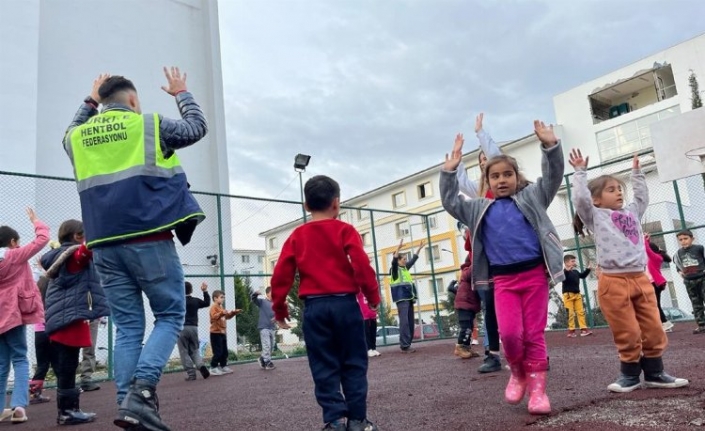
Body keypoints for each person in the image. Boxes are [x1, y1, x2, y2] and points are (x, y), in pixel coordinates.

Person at [62, 68, 207, 431]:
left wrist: (89, 101)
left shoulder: (77, 138)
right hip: (149, 238)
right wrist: (182, 92)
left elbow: (68, 132)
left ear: (101, 102)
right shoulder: (148, 124)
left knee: (128, 326)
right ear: (132, 100)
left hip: (103, 246)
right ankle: (142, 394)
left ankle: (127, 406)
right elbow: (196, 127)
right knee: (171, 315)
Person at [440, 120, 564, 415]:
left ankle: (537, 390)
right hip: (503, 282)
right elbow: (449, 201)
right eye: (495, 176)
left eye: (508, 174)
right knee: (509, 335)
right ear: (487, 182)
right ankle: (518, 372)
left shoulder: (532, 197)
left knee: (533, 334)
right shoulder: (477, 208)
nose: (502, 180)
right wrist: (450, 171)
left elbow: (552, 176)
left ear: (517, 177)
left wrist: (550, 146)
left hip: (534, 276)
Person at [570, 149, 688, 393]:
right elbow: (580, 200)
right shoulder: (596, 216)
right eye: (611, 190)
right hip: (613, 282)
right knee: (628, 331)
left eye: (620, 189)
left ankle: (655, 372)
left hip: (640, 280)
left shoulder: (633, 212)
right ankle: (629, 375)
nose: (619, 192)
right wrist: (580, 173)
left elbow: (642, 197)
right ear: (597, 200)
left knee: (654, 327)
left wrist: (637, 174)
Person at [271, 175, 380, 431]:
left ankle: (334, 420)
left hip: (315, 308)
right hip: (345, 304)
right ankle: (357, 420)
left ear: (306, 205)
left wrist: (280, 309)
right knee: (354, 361)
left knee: (323, 363)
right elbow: (362, 265)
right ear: (336, 203)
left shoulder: (298, 235)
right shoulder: (345, 230)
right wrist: (372, 296)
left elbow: (281, 275)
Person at [41, 219, 111, 425]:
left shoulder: (62, 257)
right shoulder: (72, 256)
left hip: (66, 316)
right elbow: (85, 251)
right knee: (68, 365)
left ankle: (70, 409)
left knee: (67, 366)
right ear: (78, 237)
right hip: (68, 318)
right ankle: (66, 412)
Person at [454, 114, 504, 374]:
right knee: (490, 306)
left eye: (488, 159)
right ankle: (492, 352)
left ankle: (532, 350)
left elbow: (497, 157)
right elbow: (461, 182)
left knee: (515, 304)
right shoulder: (479, 190)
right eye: (482, 161)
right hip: (486, 257)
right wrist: (458, 160)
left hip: (508, 254)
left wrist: (481, 134)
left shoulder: (506, 186)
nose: (486, 164)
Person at [0, 209, 50, 424]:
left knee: (1, 363)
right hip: (13, 313)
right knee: (20, 357)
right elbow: (43, 239)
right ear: (12, 241)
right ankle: (19, 405)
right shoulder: (14, 254)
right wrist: (36, 221)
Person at [447, 227, 481, 359]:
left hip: (469, 303)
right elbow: (469, 274)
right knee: (466, 327)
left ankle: (466, 347)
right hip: (464, 304)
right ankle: (460, 347)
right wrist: (476, 263)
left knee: (470, 327)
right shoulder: (466, 271)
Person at [390, 238, 424, 353]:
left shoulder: (405, 269)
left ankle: (408, 344)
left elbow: (413, 260)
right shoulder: (394, 270)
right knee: (404, 322)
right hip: (401, 298)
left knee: (410, 322)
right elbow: (394, 261)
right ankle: (404, 345)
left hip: (409, 298)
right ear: (399, 260)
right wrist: (398, 248)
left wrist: (419, 249)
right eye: (404, 259)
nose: (405, 260)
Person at [673, 229, 705, 334]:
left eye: (686, 238)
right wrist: (680, 273)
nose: (683, 241)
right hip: (689, 281)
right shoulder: (678, 253)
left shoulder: (700, 248)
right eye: (680, 240)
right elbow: (677, 264)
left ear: (692, 238)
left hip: (702, 278)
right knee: (696, 303)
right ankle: (701, 325)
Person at [178, 281, 211, 381]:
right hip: (193, 328)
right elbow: (207, 303)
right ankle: (200, 365)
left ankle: (191, 374)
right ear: (191, 290)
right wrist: (205, 291)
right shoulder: (195, 301)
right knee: (195, 349)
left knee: (184, 351)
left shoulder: (178, 301)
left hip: (181, 328)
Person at [29, 274, 52, 405]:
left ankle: (35, 393)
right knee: (58, 362)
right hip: (51, 330)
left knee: (42, 364)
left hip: (39, 331)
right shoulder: (53, 301)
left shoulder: (38, 301)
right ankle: (66, 389)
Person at [644, 234, 674, 333]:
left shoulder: (656, 258)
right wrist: (647, 241)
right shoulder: (653, 258)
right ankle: (662, 323)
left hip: (655, 284)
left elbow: (648, 250)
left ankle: (665, 323)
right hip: (652, 283)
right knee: (654, 304)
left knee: (655, 304)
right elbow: (648, 249)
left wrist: (645, 240)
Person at [561, 254, 594, 338]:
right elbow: (564, 279)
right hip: (568, 295)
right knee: (571, 313)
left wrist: (588, 269)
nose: (574, 262)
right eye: (572, 261)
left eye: (574, 261)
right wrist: (567, 271)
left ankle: (583, 329)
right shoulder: (564, 273)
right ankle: (571, 331)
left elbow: (582, 276)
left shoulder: (575, 272)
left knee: (581, 312)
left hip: (577, 295)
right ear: (566, 263)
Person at [209, 290, 240, 376]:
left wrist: (233, 313)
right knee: (218, 352)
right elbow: (214, 317)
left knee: (224, 351)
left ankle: (223, 366)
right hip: (215, 333)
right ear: (215, 298)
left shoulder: (220, 307)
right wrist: (221, 313)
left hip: (222, 333)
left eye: (224, 297)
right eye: (221, 297)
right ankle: (213, 367)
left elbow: (226, 317)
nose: (223, 299)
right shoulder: (213, 307)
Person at [251, 286, 277, 369]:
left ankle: (262, 358)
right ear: (268, 293)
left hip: (272, 328)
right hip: (264, 327)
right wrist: (255, 294)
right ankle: (267, 362)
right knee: (267, 345)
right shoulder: (262, 302)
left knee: (271, 346)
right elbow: (254, 299)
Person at [356, 290, 380, 357]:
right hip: (365, 316)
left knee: (373, 333)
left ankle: (373, 348)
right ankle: (368, 349)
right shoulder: (359, 292)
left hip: (373, 315)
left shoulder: (370, 291)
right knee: (367, 333)